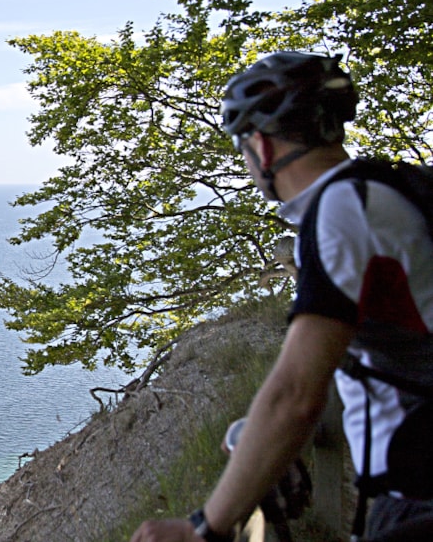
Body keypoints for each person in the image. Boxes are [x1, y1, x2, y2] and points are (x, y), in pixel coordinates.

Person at [132, 52, 433, 541]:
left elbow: (296, 394)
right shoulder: (392, 188)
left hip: (416, 495)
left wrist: (204, 526)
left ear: (261, 148)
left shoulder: (341, 211)